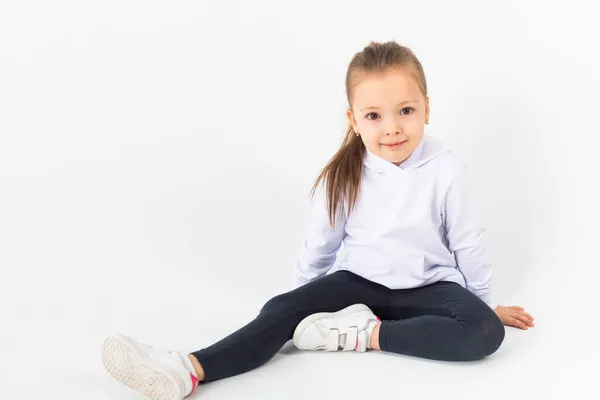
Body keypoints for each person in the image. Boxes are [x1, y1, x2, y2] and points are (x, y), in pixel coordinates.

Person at [100, 40, 535, 400]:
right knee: (282, 309)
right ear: (354, 119)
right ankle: (187, 368)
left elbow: (468, 242)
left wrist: (481, 302)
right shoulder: (344, 174)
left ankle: (363, 334)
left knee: (485, 333)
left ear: (426, 107)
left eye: (406, 111)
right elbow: (320, 246)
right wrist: (294, 305)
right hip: (358, 282)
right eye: (373, 116)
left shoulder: (446, 169)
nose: (392, 129)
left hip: (428, 288)